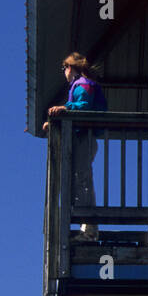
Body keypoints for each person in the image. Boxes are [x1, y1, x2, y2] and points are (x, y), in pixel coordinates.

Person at [42, 53, 107, 241]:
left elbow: (84, 106)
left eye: (64, 68)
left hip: (83, 139)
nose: (64, 72)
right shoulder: (82, 84)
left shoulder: (83, 84)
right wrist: (55, 122)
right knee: (80, 180)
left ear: (70, 68)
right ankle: (87, 227)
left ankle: (89, 230)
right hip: (83, 138)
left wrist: (65, 108)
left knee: (82, 180)